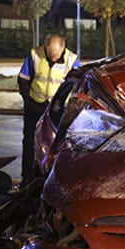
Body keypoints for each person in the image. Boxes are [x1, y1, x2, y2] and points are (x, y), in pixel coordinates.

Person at [17, 34, 79, 185]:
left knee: (57, 145)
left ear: (63, 48)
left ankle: (52, 180)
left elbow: (77, 86)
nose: (52, 59)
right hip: (35, 105)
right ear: (46, 47)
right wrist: (28, 101)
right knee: (30, 142)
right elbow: (23, 80)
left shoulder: (72, 60)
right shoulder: (35, 55)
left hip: (58, 109)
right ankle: (28, 179)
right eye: (50, 55)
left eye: (56, 56)